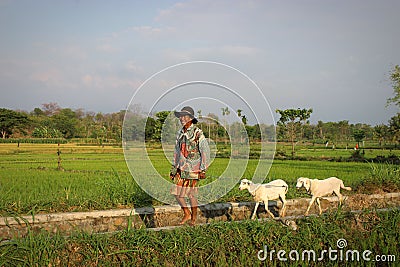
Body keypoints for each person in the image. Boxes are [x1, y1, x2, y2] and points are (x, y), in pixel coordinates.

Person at [170, 106, 210, 226]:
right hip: (181, 168)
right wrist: (174, 168)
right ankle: (186, 213)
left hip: (194, 168)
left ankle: (194, 217)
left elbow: (205, 151)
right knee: (176, 193)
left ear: (191, 119)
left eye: (184, 116)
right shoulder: (180, 133)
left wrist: (203, 169)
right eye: (181, 116)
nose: (182, 118)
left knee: (191, 194)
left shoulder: (198, 133)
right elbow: (176, 151)